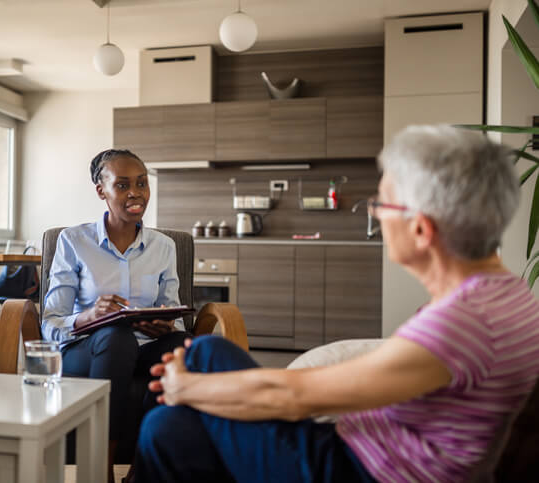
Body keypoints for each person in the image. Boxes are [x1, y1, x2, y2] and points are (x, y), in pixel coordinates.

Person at [135, 125, 539, 483]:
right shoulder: (504, 292)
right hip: (367, 449)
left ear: (420, 229)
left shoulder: (462, 321)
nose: (376, 217)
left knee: (174, 408)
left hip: (357, 469)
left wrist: (185, 386)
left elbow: (293, 397)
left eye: (381, 205)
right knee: (187, 387)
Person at [41, 148, 187, 482]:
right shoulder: (73, 241)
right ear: (101, 191)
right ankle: (100, 470)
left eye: (141, 184)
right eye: (122, 185)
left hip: (143, 347)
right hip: (89, 349)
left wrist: (165, 325)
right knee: (115, 337)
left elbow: (173, 312)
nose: (135, 193)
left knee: (181, 344)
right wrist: (90, 315)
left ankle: (141, 469)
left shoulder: (164, 247)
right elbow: (51, 320)